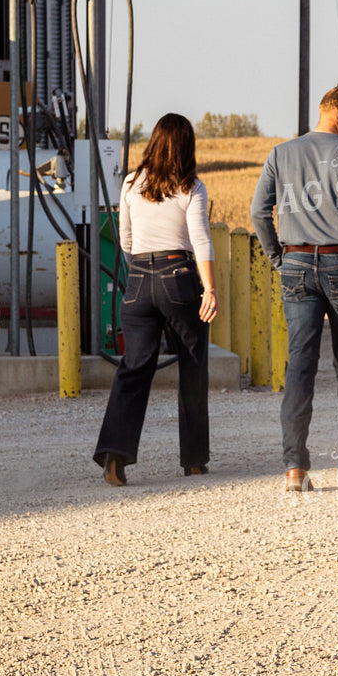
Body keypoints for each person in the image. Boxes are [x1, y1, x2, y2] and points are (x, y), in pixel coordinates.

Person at [251, 84, 338, 492]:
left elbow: (259, 212)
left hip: (295, 263)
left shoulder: (281, 153)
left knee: (300, 366)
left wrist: (279, 259)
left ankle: (295, 468)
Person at [94, 113, 219, 485]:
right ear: (186, 145)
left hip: (138, 280)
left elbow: (126, 241)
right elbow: (200, 240)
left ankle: (115, 457)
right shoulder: (191, 186)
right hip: (178, 277)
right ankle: (194, 459)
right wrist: (210, 289)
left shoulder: (131, 183)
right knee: (193, 365)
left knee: (133, 368)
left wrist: (142, 272)